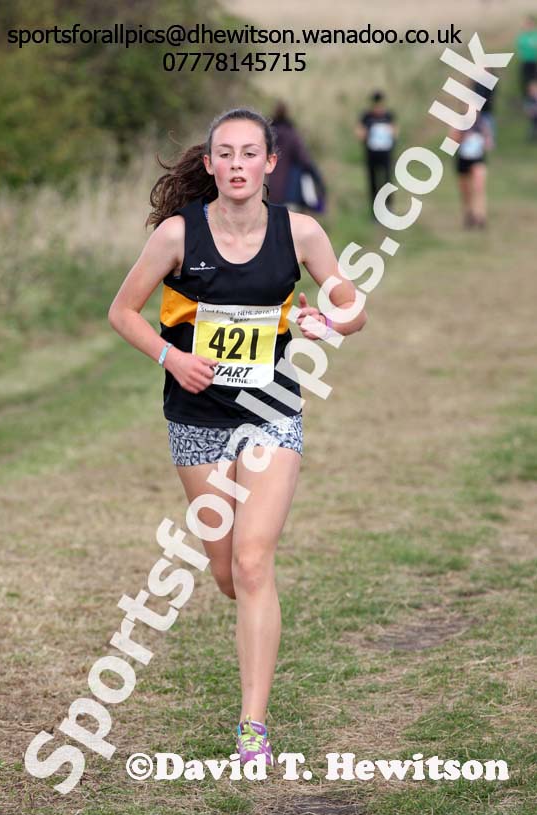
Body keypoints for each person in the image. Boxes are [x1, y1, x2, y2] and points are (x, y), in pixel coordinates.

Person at [107, 107, 367, 767]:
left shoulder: (300, 232)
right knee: (225, 571)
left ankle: (252, 728)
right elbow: (122, 312)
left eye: (250, 153)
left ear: (269, 163)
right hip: (195, 420)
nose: (237, 165)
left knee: (253, 561)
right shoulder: (175, 236)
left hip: (272, 413)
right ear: (210, 163)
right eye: (225, 153)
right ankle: (252, 602)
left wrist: (324, 323)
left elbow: (352, 307)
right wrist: (172, 359)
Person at [266, 101, 325, 212]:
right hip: (289, 193)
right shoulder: (292, 136)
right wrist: (320, 184)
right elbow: (305, 161)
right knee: (290, 226)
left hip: (270, 193)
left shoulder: (266, 136)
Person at [356, 91, 398, 215]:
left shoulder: (389, 116)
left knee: (387, 180)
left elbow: (395, 132)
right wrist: (368, 133)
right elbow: (359, 133)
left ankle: (388, 206)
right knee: (373, 182)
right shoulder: (366, 117)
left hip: (386, 154)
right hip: (371, 155)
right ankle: (375, 210)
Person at [450, 113, 494, 229]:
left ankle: (480, 216)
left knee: (479, 187)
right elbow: (450, 144)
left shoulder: (482, 123)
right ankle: (469, 213)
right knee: (466, 191)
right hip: (463, 159)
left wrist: (485, 141)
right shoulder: (458, 123)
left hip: (478, 159)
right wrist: (462, 137)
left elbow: (489, 143)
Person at [516, 16, 537, 97]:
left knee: (533, 80)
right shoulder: (522, 37)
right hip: (526, 62)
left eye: (530, 24)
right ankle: (529, 98)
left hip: (534, 62)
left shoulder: (535, 35)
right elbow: (520, 49)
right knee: (526, 81)